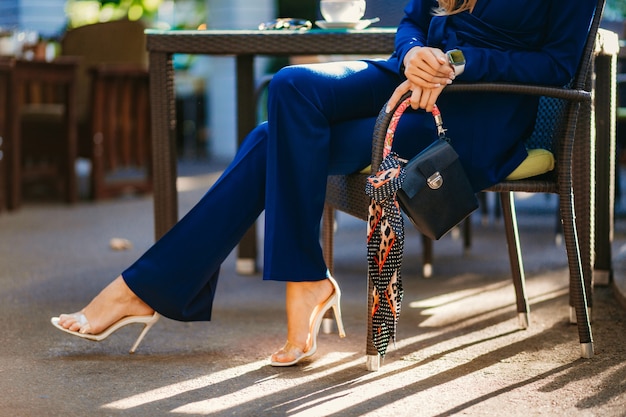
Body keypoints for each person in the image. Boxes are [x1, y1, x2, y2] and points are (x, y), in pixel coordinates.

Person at [51, 0, 597, 366]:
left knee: (272, 141)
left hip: (479, 107)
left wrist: (457, 60)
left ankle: (145, 288)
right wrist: (413, 53)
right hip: (411, 74)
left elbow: (557, 65)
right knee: (291, 85)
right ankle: (303, 278)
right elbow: (411, 20)